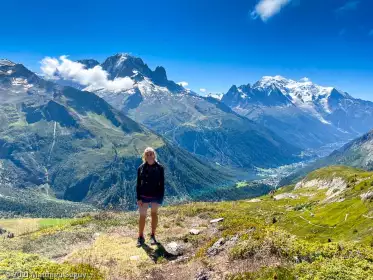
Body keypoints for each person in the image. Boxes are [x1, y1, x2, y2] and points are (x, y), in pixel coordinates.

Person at [136, 147, 165, 247]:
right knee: (142, 216)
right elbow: (138, 184)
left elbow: (162, 184)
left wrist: (160, 198)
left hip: (155, 196)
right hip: (143, 195)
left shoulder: (160, 168)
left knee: (154, 214)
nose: (149, 156)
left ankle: (153, 235)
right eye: (147, 154)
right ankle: (140, 237)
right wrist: (138, 198)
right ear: (144, 156)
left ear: (154, 155)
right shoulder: (140, 168)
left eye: (151, 154)